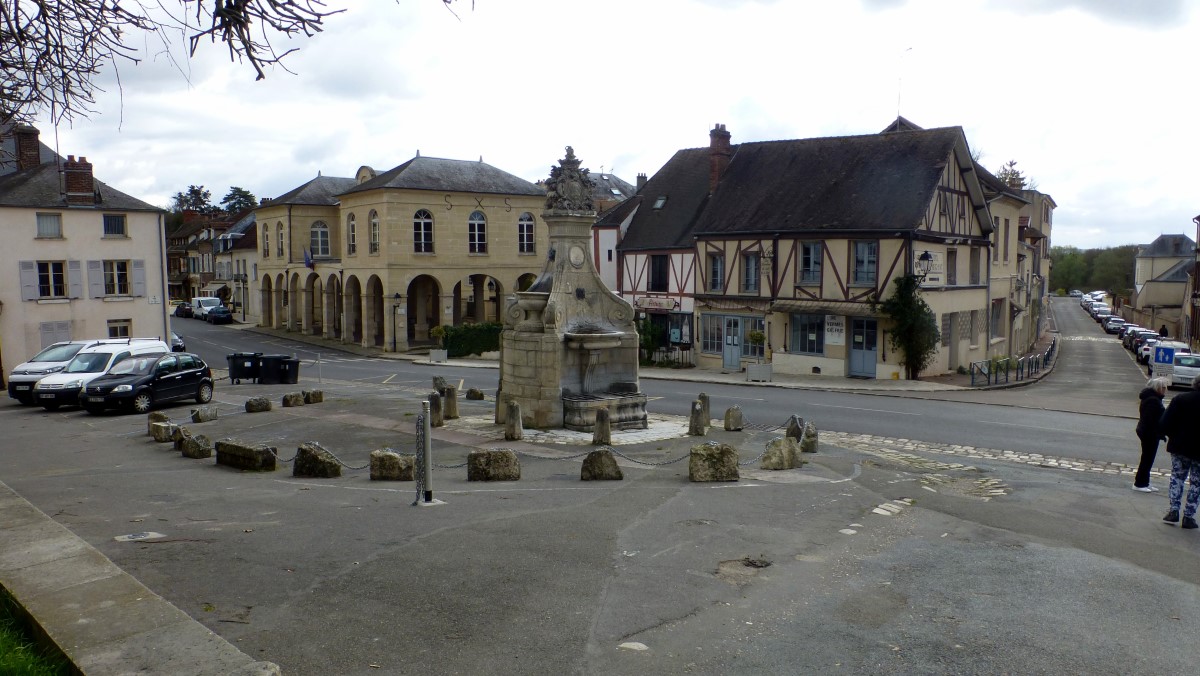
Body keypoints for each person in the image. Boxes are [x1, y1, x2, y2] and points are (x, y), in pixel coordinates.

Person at [1160, 373, 1200, 528]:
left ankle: (1173, 510)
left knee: (1177, 477)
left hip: (1180, 446)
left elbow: (1165, 423)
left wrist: (1173, 435)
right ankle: (1189, 516)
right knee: (1197, 483)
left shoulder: (1180, 399)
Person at [1133, 377, 1168, 492]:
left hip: (1149, 432)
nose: (1165, 390)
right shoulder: (1153, 400)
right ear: (1157, 388)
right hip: (1149, 433)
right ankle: (1140, 483)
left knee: (1148, 458)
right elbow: (1151, 420)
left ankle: (1145, 482)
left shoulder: (1152, 398)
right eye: (1163, 387)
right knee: (1147, 458)